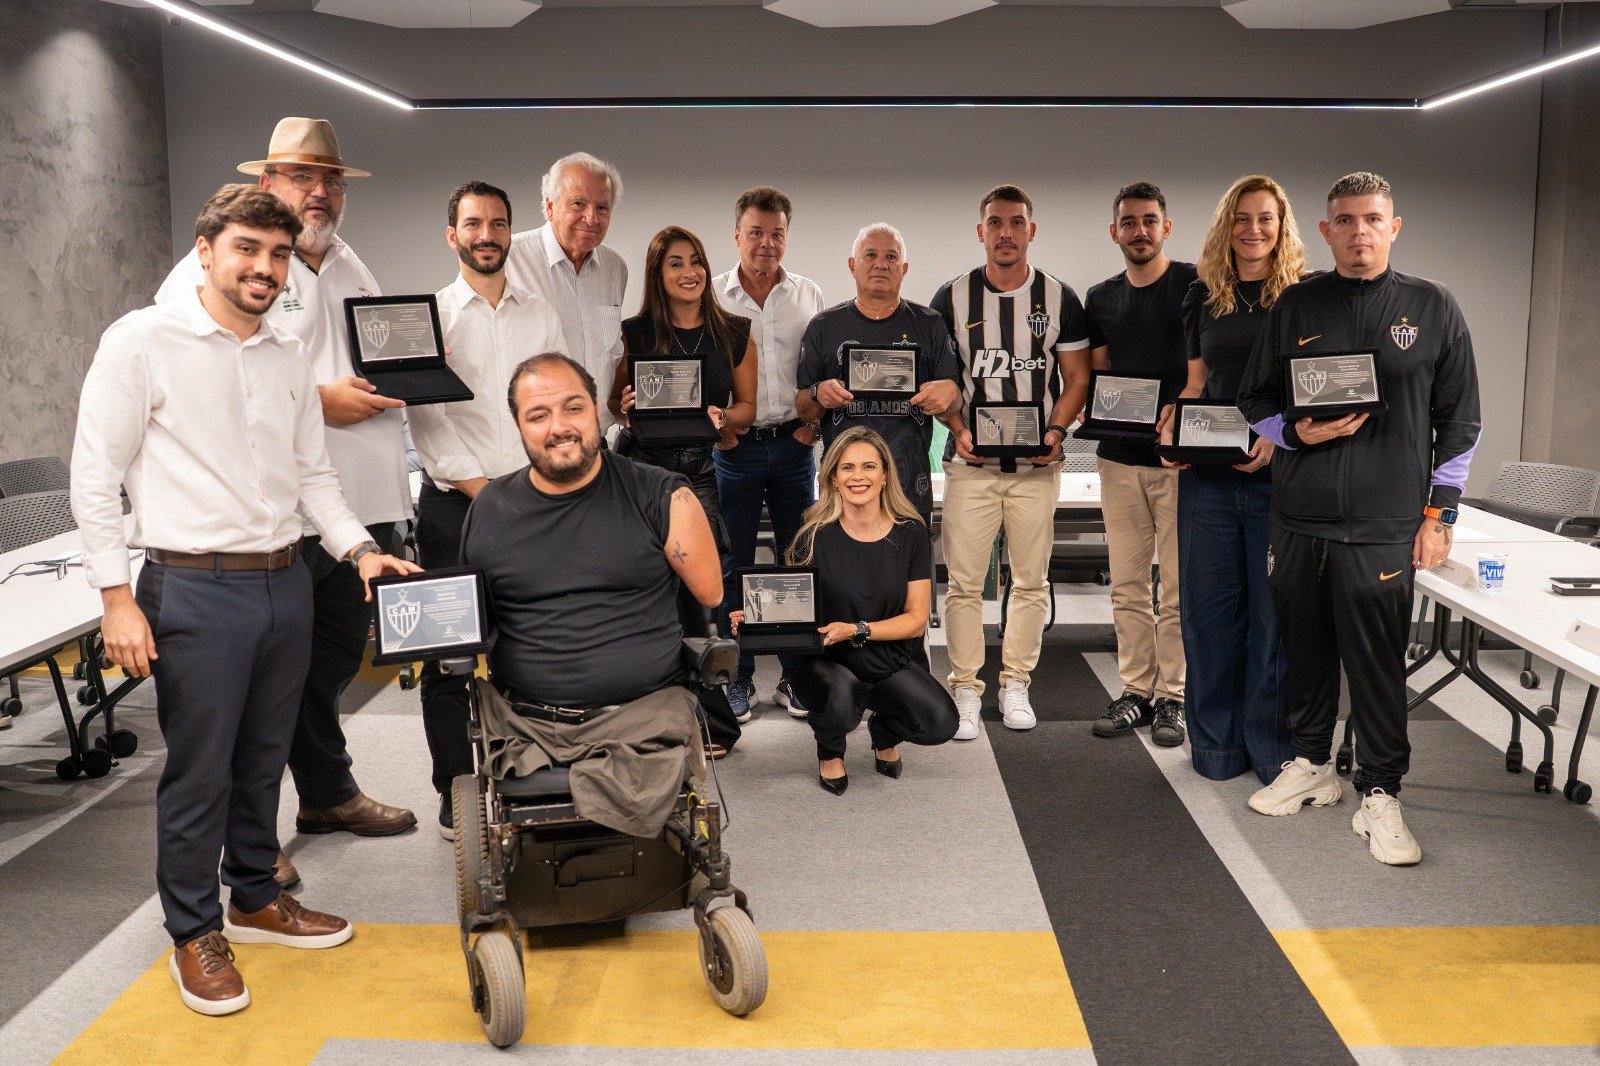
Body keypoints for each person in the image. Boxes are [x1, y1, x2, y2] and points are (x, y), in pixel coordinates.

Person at [72, 185, 418, 1016]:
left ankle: (255, 896)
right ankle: (193, 931)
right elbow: (94, 473)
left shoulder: (287, 354)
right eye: (247, 250)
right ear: (206, 251)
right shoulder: (142, 341)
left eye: (279, 255)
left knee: (264, 757)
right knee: (202, 772)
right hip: (193, 585)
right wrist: (116, 597)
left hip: (284, 580)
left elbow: (313, 477)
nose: (265, 268)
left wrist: (359, 548)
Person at [155, 118, 415, 888]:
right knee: (258, 691)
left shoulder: (351, 264)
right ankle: (251, 841)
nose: (319, 191)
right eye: (302, 177)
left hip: (351, 511)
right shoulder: (217, 271)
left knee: (326, 667)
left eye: (330, 179)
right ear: (267, 183)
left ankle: (326, 794)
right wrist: (321, 400)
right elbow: (200, 388)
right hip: (268, 522)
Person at [1236, 172, 1480, 866]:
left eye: (1372, 219)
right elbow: (1254, 399)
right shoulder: (1296, 303)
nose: (1359, 232)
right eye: (1344, 220)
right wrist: (1296, 434)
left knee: (1375, 665)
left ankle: (1380, 792)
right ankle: (1314, 763)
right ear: (1326, 231)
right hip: (1299, 517)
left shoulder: (1432, 306)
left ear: (1393, 227)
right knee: (1305, 651)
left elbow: (1460, 421)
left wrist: (1440, 515)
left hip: (1383, 522)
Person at [459, 353, 724, 836]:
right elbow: (471, 622)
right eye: (538, 415)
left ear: (598, 410)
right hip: (526, 723)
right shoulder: (491, 509)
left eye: (573, 408)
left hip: (643, 717)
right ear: (518, 426)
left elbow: (709, 591)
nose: (559, 427)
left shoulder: (662, 495)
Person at [407, 180, 568, 838]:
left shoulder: (542, 314)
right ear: (453, 235)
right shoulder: (430, 317)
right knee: (448, 657)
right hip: (455, 508)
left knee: (532, 645)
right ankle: (456, 787)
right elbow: (429, 421)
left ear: (511, 233)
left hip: (534, 507)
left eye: (498, 224)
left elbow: (552, 404)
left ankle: (532, 776)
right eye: (473, 224)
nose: (486, 235)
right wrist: (490, 492)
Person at [1158, 175, 1307, 784]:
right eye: (1242, 218)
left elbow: (1308, 389)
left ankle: (1270, 750)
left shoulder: (1304, 297)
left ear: (1282, 225)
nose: (1253, 229)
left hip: (1281, 477)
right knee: (1209, 614)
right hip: (1210, 480)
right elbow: (1198, 384)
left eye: (1265, 218)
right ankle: (1216, 747)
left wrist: (1275, 437)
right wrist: (1175, 424)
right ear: (1227, 224)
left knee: (1272, 618)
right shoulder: (1204, 294)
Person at [930, 184, 1091, 738]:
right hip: (971, 466)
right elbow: (941, 381)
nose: (1006, 232)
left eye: (1016, 222)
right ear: (981, 232)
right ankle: (965, 687)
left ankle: (1016, 681)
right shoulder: (951, 297)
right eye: (995, 223)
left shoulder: (1059, 296)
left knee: (1030, 581)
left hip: (1035, 468)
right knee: (963, 583)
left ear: (1031, 230)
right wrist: (958, 429)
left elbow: (1077, 378)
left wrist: (1056, 430)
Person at [732, 427, 958, 794]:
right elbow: (790, 606)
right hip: (828, 663)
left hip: (889, 658)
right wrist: (754, 618)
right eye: (847, 467)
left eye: (868, 466)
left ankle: (883, 731)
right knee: (841, 703)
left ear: (885, 475)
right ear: (833, 478)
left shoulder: (911, 533)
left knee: (941, 723)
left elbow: (916, 620)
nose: (858, 477)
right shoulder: (811, 535)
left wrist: (857, 629)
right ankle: (830, 750)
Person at [611, 225, 755, 752]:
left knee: (704, 597)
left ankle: (714, 722)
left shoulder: (734, 332)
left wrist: (725, 418)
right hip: (641, 473)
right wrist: (623, 405)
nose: (689, 271)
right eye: (675, 262)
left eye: (696, 261)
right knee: (645, 595)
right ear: (658, 273)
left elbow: (747, 409)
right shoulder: (633, 333)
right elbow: (615, 405)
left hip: (699, 475)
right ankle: (647, 717)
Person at [1084, 182, 1196, 747]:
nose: (1140, 231)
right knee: (1127, 585)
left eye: (1150, 220)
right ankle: (1136, 691)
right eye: (1128, 222)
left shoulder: (1196, 284)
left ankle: (1174, 697)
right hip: (1120, 460)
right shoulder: (1101, 298)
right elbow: (1101, 377)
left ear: (1166, 228)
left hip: (1181, 462)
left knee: (1176, 588)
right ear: (1114, 232)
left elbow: (1208, 369)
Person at [713, 187, 826, 723]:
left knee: (796, 560)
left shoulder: (808, 294)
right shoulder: (713, 295)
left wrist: (814, 426)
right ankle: (737, 678)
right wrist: (718, 433)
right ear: (737, 235)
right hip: (734, 450)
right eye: (755, 232)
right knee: (732, 563)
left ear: (787, 236)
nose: (766, 243)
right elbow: (702, 368)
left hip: (792, 446)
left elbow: (825, 366)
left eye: (776, 233)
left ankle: (793, 675)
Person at [795, 223, 964, 522]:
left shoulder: (930, 324)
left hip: (909, 486)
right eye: (870, 254)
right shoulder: (823, 327)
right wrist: (818, 393)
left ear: (904, 269)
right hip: (844, 490)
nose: (881, 264)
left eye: (891, 256)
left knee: (913, 556)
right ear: (852, 265)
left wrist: (950, 393)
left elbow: (952, 405)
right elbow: (803, 408)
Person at [506, 151, 628, 430]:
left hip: (596, 439)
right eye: (578, 203)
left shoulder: (615, 268)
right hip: (531, 439)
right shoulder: (510, 259)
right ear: (549, 206)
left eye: (602, 207)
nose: (591, 218)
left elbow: (610, 356)